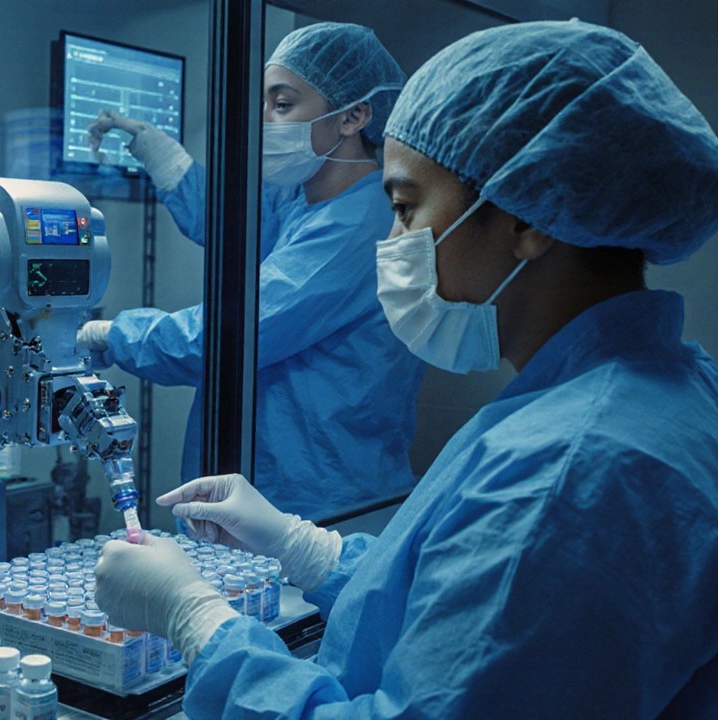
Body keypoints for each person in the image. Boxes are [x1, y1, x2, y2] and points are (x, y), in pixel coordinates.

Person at [94, 20, 718, 718]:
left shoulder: (566, 474)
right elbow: (460, 602)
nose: (389, 241)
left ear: (527, 220)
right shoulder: (651, 391)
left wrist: (198, 622)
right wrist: (308, 550)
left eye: (403, 207)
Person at [78, 23, 425, 520]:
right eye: (263, 103)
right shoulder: (303, 200)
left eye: (282, 105)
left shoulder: (357, 224)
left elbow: (229, 336)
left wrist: (112, 335)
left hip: (321, 496)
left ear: (354, 116)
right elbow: (233, 229)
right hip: (285, 485)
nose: (263, 120)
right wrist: (154, 148)